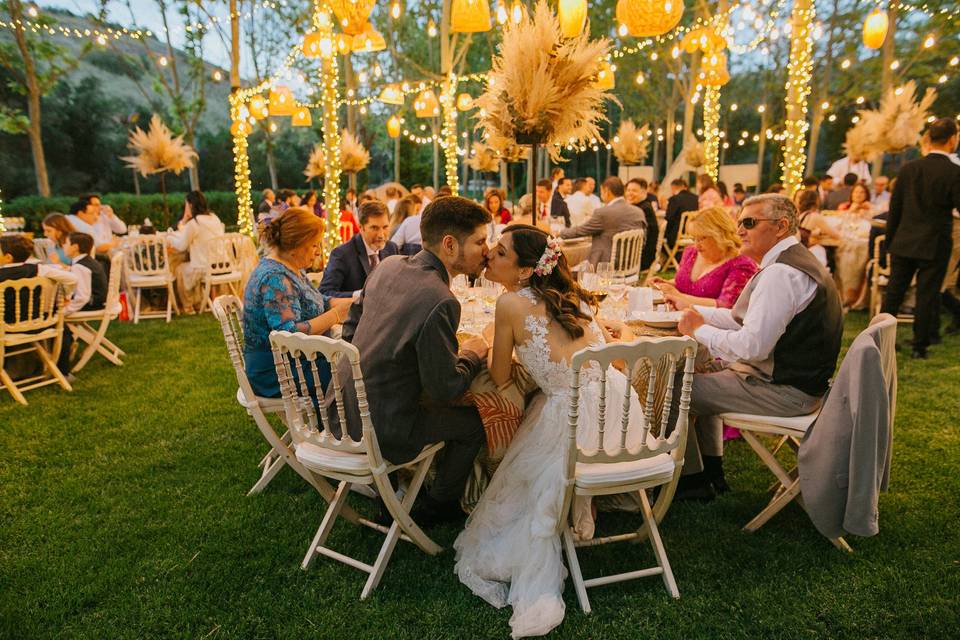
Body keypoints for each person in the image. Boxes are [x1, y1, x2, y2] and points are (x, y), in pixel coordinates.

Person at [454, 225, 645, 638]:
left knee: (531, 454)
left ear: (524, 270)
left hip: (572, 416)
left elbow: (501, 376)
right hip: (620, 415)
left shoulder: (508, 304)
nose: (490, 255)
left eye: (500, 252)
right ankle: (586, 508)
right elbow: (603, 351)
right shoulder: (573, 296)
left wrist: (488, 340)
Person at [326, 196, 491, 525]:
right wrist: (474, 351)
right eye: (480, 241)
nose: (487, 250)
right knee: (473, 422)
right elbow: (445, 389)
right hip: (382, 428)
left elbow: (351, 329)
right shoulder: (441, 300)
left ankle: (403, 489)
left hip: (339, 411)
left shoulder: (388, 266)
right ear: (449, 245)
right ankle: (438, 505)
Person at [671, 195, 843, 500]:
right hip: (803, 385)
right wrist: (693, 313)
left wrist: (699, 330)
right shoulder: (793, 261)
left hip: (786, 392)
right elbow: (745, 320)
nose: (740, 230)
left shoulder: (781, 274)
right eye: (739, 222)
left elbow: (752, 347)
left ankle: (691, 481)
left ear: (781, 226)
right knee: (699, 371)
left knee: (672, 389)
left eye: (749, 222)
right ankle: (710, 473)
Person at [242, 207, 353, 397]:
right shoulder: (274, 278)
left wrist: (351, 302)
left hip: (295, 361)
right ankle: (344, 423)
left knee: (354, 357)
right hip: (277, 371)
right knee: (353, 368)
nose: (319, 252)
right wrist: (335, 316)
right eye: (314, 245)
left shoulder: (290, 266)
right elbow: (290, 335)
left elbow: (317, 300)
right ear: (296, 246)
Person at [881, 117, 960, 359]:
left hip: (903, 240)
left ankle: (880, 339)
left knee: (894, 292)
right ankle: (919, 345)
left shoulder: (908, 169)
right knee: (927, 294)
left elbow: (895, 209)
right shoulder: (954, 172)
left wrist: (889, 242)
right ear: (951, 140)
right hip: (935, 242)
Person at [651, 207, 757, 309]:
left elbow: (726, 306)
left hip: (712, 325)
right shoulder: (691, 253)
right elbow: (691, 285)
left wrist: (679, 296)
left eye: (702, 238)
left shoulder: (741, 264)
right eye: (694, 238)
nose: (696, 245)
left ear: (720, 235)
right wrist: (667, 284)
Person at [0, 234, 78, 375]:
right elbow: (72, 278)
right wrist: (67, 295)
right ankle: (64, 370)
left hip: (7, 327)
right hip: (40, 322)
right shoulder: (39, 269)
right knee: (63, 328)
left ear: (8, 257)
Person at [319, 201, 398, 299]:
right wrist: (359, 295)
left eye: (385, 227)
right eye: (374, 228)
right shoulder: (342, 254)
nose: (381, 235)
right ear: (361, 227)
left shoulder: (392, 248)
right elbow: (325, 293)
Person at [559, 176, 646, 264]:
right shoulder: (639, 212)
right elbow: (643, 241)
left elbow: (581, 231)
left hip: (605, 267)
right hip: (631, 266)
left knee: (569, 267)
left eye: (601, 192)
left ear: (607, 191)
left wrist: (560, 233)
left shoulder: (603, 213)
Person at [166, 191, 226, 313]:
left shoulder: (195, 223)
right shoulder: (214, 217)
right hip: (221, 264)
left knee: (180, 269)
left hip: (204, 267)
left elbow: (181, 246)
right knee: (188, 267)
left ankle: (189, 305)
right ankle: (199, 302)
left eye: (186, 205)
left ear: (191, 205)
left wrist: (169, 237)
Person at [59, 232, 107, 373]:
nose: (63, 246)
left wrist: (65, 310)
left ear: (75, 247)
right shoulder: (85, 261)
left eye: (66, 243)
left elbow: (82, 297)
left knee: (55, 312)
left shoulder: (80, 267)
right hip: (98, 300)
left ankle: (63, 351)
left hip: (93, 303)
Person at [795, 189, 839, 268]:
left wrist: (819, 233)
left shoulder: (801, 215)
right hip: (809, 250)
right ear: (817, 201)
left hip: (799, 250)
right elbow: (836, 235)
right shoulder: (815, 216)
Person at [625, 178, 660, 271]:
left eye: (634, 190)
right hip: (643, 255)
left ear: (644, 192)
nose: (630, 193)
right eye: (628, 190)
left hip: (640, 259)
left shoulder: (642, 209)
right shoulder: (644, 205)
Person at [664, 178, 700, 247]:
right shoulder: (696, 198)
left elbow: (668, 218)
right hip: (692, 234)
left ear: (673, 188)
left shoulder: (674, 199)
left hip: (677, 236)